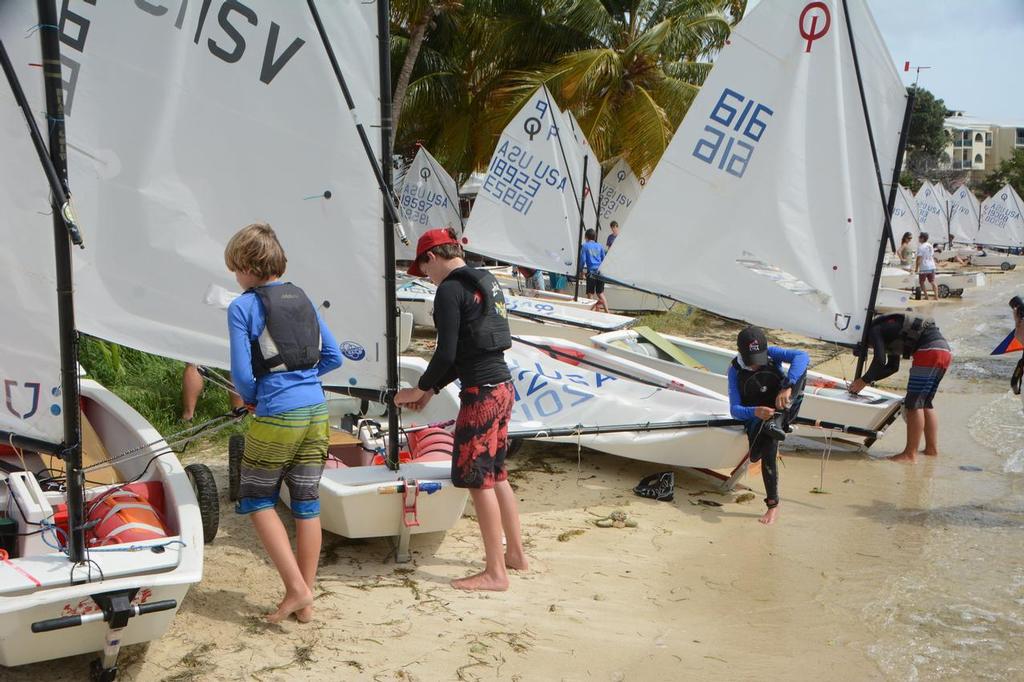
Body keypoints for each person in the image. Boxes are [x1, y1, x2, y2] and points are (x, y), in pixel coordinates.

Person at [394, 227, 526, 591]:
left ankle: (495, 573)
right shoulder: (484, 282)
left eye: (425, 271)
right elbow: (466, 353)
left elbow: (446, 353)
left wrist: (415, 389)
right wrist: (430, 390)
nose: (428, 280)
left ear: (431, 257)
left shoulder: (450, 290)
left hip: (481, 397)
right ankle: (515, 554)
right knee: (497, 474)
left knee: (476, 479)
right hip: (503, 389)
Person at [224, 222, 342, 623]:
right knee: (307, 504)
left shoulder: (243, 306)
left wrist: (255, 398)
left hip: (278, 413)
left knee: (257, 498)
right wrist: (303, 381)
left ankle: (295, 589)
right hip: (317, 412)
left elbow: (241, 374)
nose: (234, 276)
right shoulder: (302, 298)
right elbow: (335, 357)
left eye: (234, 268)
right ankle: (304, 605)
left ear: (245, 265)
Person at [726, 326, 809, 526]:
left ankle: (776, 424)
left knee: (801, 374)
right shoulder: (734, 371)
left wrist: (788, 385)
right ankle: (773, 505)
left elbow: (803, 356)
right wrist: (754, 411)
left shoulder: (772, 354)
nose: (756, 365)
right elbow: (735, 409)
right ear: (741, 353)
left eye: (759, 360)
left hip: (782, 407)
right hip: (758, 416)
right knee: (767, 445)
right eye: (751, 361)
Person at [849, 313, 952, 463]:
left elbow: (879, 360)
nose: (871, 347)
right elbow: (892, 367)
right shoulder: (890, 330)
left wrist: (863, 380)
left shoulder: (874, 330)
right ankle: (931, 449)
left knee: (913, 404)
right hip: (944, 351)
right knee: (925, 403)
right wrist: (867, 381)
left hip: (928, 351)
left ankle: (910, 455)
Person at [580, 228, 609, 313]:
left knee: (590, 293)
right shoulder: (600, 246)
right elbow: (604, 259)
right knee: (600, 293)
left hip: (592, 273)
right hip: (600, 272)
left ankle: (590, 313)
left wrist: (581, 271)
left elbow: (583, 260)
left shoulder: (585, 246)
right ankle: (607, 311)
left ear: (586, 237)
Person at [915, 231, 939, 300]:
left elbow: (918, 259)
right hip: (932, 266)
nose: (918, 238)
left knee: (921, 282)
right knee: (932, 281)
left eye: (919, 237)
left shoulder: (921, 247)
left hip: (924, 267)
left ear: (922, 238)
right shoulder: (930, 245)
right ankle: (936, 297)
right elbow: (932, 255)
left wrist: (916, 269)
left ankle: (926, 296)